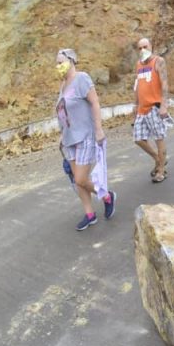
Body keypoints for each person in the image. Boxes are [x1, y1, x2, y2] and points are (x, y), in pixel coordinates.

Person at [55, 48, 116, 230]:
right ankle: (89, 214)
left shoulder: (82, 78)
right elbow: (65, 112)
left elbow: (95, 103)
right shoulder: (63, 85)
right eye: (56, 64)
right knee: (77, 179)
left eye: (60, 62)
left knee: (81, 179)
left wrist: (98, 129)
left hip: (85, 136)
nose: (58, 66)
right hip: (69, 139)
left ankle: (106, 196)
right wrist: (62, 134)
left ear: (72, 61)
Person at [133, 37, 173, 183]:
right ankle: (158, 159)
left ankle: (161, 171)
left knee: (158, 138)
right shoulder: (138, 64)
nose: (142, 50)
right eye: (140, 48)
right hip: (142, 109)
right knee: (138, 138)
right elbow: (138, 86)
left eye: (145, 46)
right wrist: (135, 105)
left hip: (154, 108)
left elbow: (164, 83)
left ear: (151, 46)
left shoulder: (158, 61)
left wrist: (164, 105)